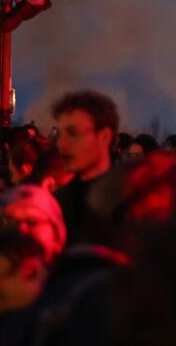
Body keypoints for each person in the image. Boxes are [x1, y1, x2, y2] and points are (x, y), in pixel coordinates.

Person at [51, 90, 119, 246]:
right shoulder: (57, 202)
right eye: (59, 134)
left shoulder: (131, 201)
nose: (61, 144)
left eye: (73, 133)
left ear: (104, 136)